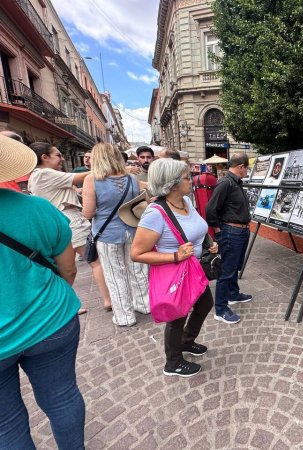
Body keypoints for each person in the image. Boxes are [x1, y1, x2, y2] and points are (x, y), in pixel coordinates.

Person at [0, 135, 85, 448]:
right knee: (62, 399)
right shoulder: (36, 208)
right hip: (51, 320)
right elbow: (68, 267)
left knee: (5, 426)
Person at [131, 159, 218, 377]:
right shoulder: (155, 213)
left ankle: (186, 342)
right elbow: (137, 253)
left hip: (194, 269)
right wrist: (175, 255)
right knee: (177, 315)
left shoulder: (186, 202)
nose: (192, 180)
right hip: (175, 271)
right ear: (172, 183)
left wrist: (208, 243)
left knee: (205, 303)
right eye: (187, 177)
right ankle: (173, 362)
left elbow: (196, 228)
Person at [28, 142, 111, 313]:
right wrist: (114, 168)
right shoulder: (44, 173)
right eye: (58, 155)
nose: (62, 158)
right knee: (95, 261)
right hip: (70, 220)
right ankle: (108, 299)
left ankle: (67, 305)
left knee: (67, 268)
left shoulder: (38, 175)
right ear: (44, 157)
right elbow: (86, 176)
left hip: (58, 222)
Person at [82, 143, 150, 326]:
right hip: (133, 230)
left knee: (115, 274)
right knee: (138, 270)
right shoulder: (132, 179)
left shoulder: (92, 179)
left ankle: (125, 316)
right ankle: (144, 304)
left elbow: (88, 213)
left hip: (107, 234)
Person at [205, 152, 253, 324]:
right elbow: (210, 209)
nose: (247, 171)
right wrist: (218, 232)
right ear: (241, 167)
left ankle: (233, 294)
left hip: (240, 232)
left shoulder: (235, 183)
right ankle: (221, 308)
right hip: (231, 232)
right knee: (226, 271)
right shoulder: (226, 183)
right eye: (247, 168)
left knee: (234, 267)